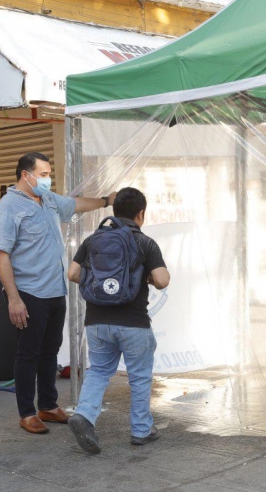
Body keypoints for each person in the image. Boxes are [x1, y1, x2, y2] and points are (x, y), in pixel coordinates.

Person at [0, 152, 117, 434]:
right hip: (29, 292)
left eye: (48, 174)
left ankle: (47, 405)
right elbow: (1, 256)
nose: (48, 179)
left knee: (50, 351)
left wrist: (107, 201)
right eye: (44, 174)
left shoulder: (47, 200)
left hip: (54, 290)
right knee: (28, 353)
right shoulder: (7, 208)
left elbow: (75, 205)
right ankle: (26, 412)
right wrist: (14, 298)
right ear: (26, 174)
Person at [66, 187, 170, 454]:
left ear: (114, 211)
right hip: (133, 321)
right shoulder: (144, 242)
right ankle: (141, 430)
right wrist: (143, 277)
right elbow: (162, 280)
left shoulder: (93, 240)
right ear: (141, 214)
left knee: (99, 371)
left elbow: (73, 273)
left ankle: (85, 415)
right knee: (138, 376)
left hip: (97, 320)